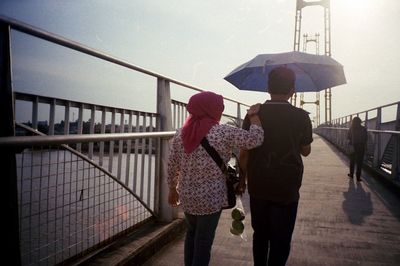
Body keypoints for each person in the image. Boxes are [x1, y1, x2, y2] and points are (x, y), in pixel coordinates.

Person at [167, 91, 264, 266]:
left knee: (191, 235)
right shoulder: (223, 132)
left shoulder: (180, 134)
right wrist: (254, 116)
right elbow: (255, 140)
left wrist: (172, 189)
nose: (220, 111)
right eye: (219, 108)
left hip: (187, 196)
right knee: (204, 240)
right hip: (210, 198)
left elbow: (172, 164)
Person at [239, 67, 313, 266]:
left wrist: (241, 179)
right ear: (292, 90)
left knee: (261, 235)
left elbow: (245, 151)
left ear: (267, 88)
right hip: (287, 186)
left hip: (258, 184)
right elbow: (305, 151)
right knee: (281, 239)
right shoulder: (301, 116)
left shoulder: (254, 113)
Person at [347, 117, 368, 181]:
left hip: (353, 146)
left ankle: (351, 174)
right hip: (361, 146)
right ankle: (358, 177)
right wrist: (365, 146)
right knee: (359, 162)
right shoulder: (364, 129)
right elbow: (366, 138)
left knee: (352, 161)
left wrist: (349, 144)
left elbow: (348, 137)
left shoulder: (351, 129)